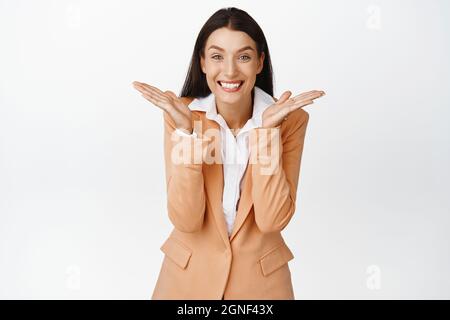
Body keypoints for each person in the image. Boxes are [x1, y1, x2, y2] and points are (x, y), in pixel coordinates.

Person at [132, 7, 325, 300]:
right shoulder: (182, 115)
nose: (231, 71)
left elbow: (272, 219)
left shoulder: (290, 121)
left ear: (260, 62)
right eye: (217, 56)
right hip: (186, 284)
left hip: (261, 290)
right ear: (203, 62)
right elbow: (185, 220)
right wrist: (187, 134)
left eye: (244, 56)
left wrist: (267, 134)